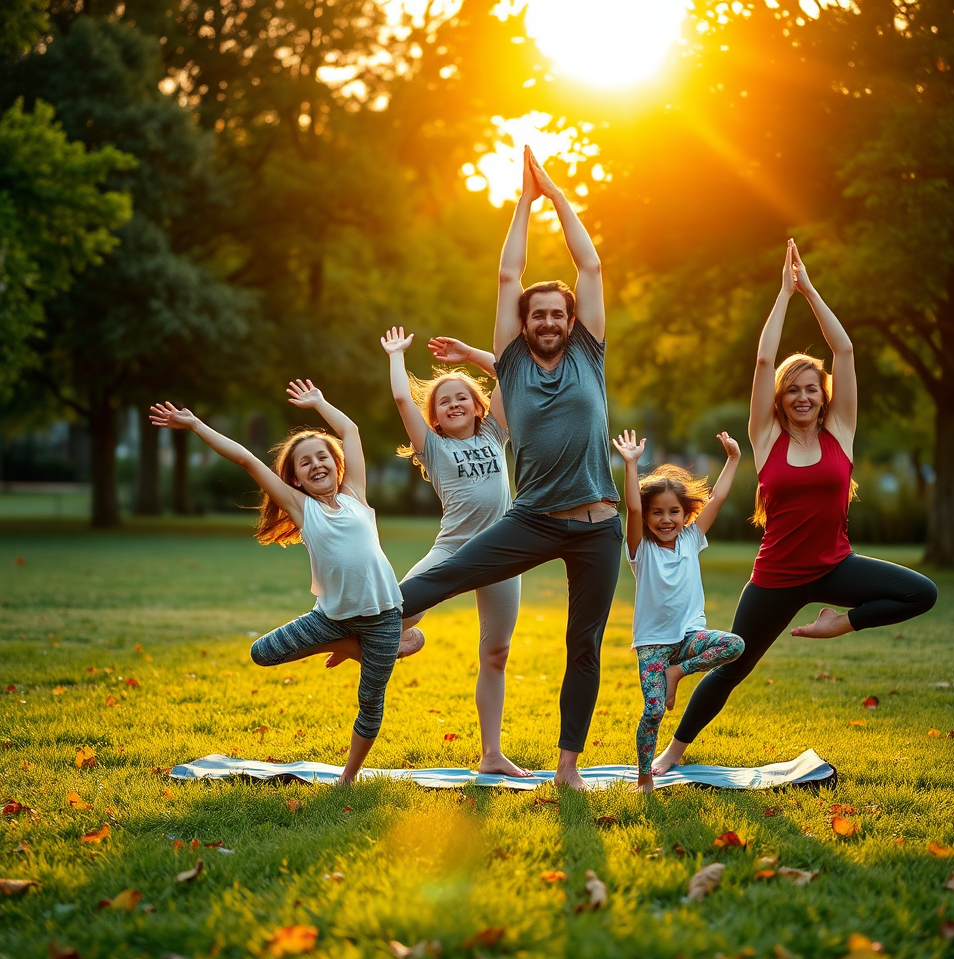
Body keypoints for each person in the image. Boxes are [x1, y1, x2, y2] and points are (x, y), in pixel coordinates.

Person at [651, 240, 938, 775]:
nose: (803, 397)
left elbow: (845, 351)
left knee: (921, 592)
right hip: (777, 575)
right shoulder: (767, 439)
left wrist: (811, 291)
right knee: (733, 664)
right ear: (780, 400)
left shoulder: (841, 434)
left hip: (835, 567)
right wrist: (784, 293)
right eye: (792, 391)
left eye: (811, 389)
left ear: (824, 395)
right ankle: (673, 750)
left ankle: (837, 625)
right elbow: (763, 359)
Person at [397, 146, 622, 789]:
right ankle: (358, 626)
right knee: (448, 574)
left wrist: (555, 194)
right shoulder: (514, 363)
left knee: (584, 645)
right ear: (522, 325)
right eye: (537, 314)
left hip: (599, 523)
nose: (548, 320)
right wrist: (523, 205)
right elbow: (507, 275)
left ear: (572, 321)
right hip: (535, 519)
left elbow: (591, 263)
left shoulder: (590, 356)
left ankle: (567, 768)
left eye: (557, 313)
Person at [149, 379, 403, 785]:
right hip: (332, 619)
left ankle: (348, 776)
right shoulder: (302, 508)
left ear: (337, 466)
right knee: (261, 652)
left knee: (370, 702)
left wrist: (320, 402)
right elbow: (248, 460)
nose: (317, 464)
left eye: (323, 457)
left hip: (383, 616)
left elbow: (351, 431)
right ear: (297, 480)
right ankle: (352, 646)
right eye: (305, 462)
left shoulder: (356, 494)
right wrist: (197, 425)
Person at [383, 325, 527, 777]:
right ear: (437, 419)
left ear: (478, 406)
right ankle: (373, 645)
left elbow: (509, 370)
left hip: (503, 553)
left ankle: (491, 754)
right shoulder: (434, 448)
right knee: (396, 611)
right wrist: (395, 356)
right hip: (453, 549)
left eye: (462, 396)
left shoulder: (495, 435)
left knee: (497, 653)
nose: (454, 403)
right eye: (444, 402)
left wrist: (466, 356)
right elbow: (404, 400)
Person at [612, 429, 746, 792]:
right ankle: (643, 777)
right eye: (657, 513)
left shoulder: (691, 538)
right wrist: (630, 464)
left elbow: (717, 496)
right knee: (654, 711)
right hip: (653, 645)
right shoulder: (641, 549)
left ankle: (677, 674)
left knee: (734, 645)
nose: (666, 519)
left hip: (687, 638)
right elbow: (633, 507)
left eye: (674, 511)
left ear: (686, 514)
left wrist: (733, 459)